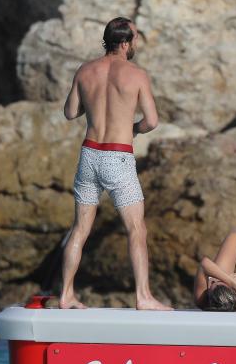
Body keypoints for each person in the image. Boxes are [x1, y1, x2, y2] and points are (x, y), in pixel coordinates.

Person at [59, 17, 171, 310]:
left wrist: (93, 104)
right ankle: (143, 296)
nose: (136, 44)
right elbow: (152, 121)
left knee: (80, 229)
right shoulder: (136, 75)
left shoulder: (85, 71)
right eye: (134, 38)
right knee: (136, 229)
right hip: (118, 157)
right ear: (124, 42)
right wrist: (132, 128)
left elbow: (71, 112)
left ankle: (66, 294)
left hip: (89, 154)